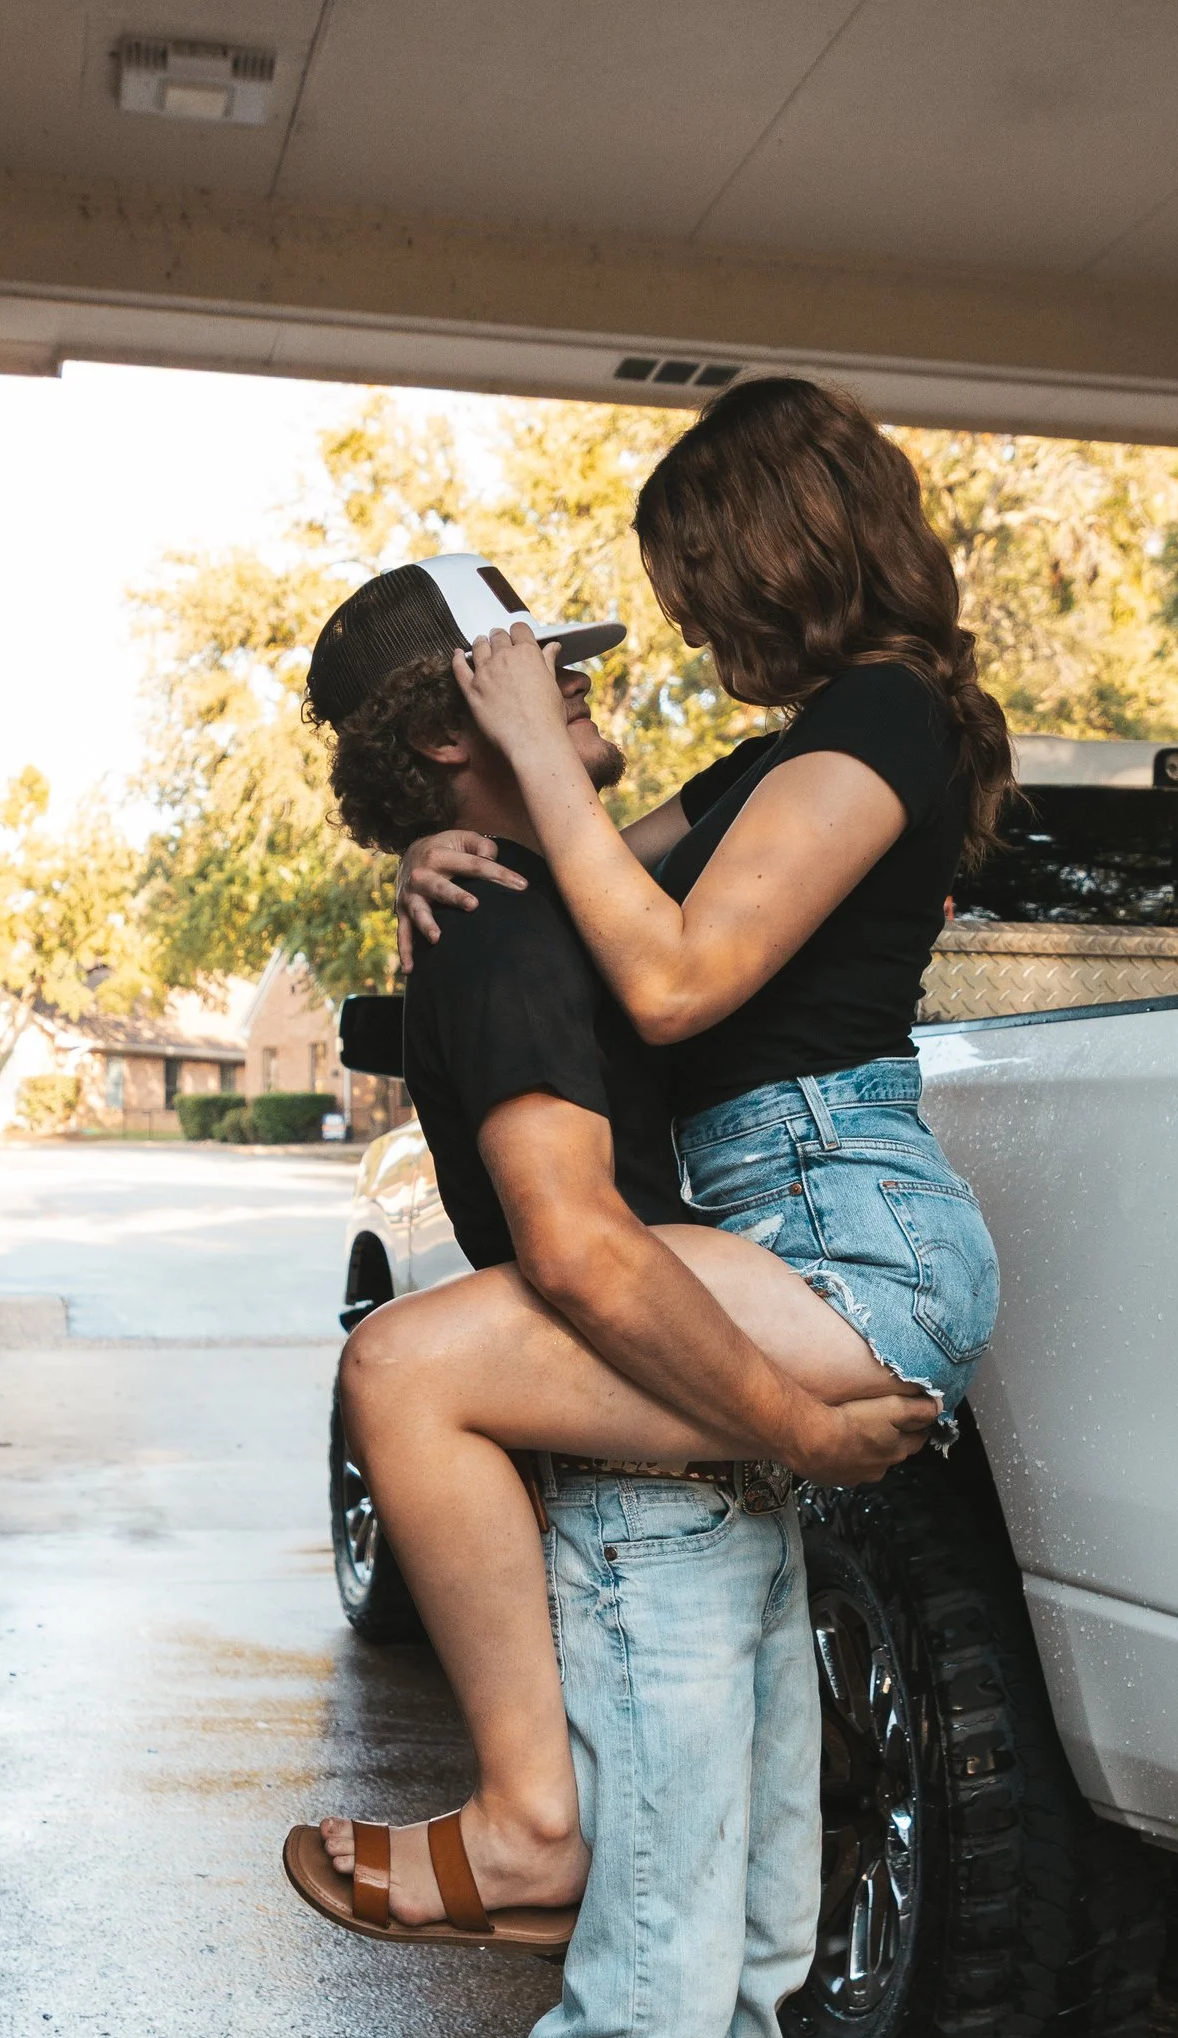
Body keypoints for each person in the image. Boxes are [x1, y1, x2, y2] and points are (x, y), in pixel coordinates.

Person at [281, 565, 914, 2038]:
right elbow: (572, 1251)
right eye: (550, 682)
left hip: (702, 1488)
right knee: (642, 2007)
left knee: (741, 1962)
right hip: (643, 1515)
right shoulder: (516, 946)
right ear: (465, 721)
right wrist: (794, 1428)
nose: (590, 706)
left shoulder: (522, 891)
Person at [375, 376, 1009, 1923]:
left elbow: (669, 979)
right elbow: (585, 903)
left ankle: (531, 1824)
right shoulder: (774, 763)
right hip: (776, 1216)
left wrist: (528, 737)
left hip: (848, 1231)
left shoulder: (884, 719)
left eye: (695, 586)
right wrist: (431, 851)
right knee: (417, 1367)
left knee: (403, 1370)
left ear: (776, 551)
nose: (689, 625)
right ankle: (559, 1827)